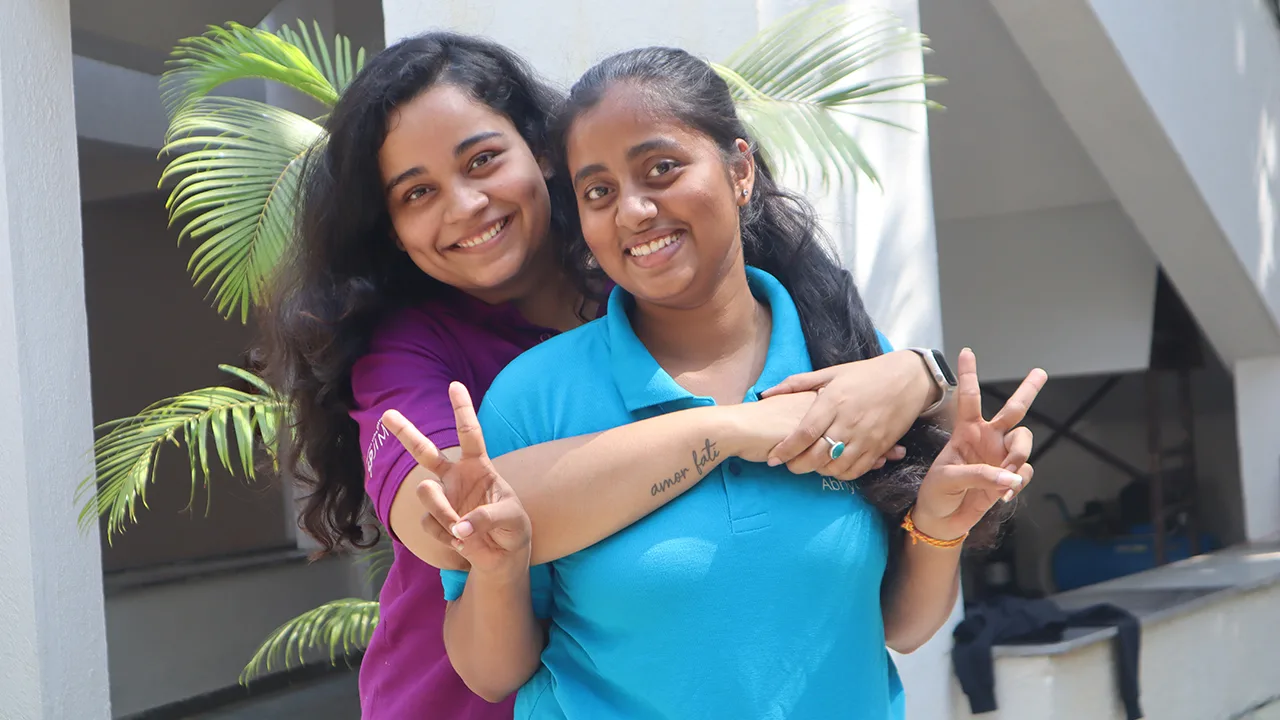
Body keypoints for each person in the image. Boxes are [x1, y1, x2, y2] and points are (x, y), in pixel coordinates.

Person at [263, 33, 960, 719]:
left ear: (541, 155)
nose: (464, 204)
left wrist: (918, 374)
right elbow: (453, 521)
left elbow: (901, 568)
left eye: (482, 160)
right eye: (417, 193)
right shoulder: (407, 352)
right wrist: (729, 428)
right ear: (390, 228)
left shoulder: (649, 282)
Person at [424, 47, 1048, 719]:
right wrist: (494, 571)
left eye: (661, 169)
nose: (633, 211)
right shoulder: (535, 397)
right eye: (598, 192)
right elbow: (491, 674)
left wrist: (941, 525)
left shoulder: (850, 369)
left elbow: (901, 628)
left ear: (740, 170)